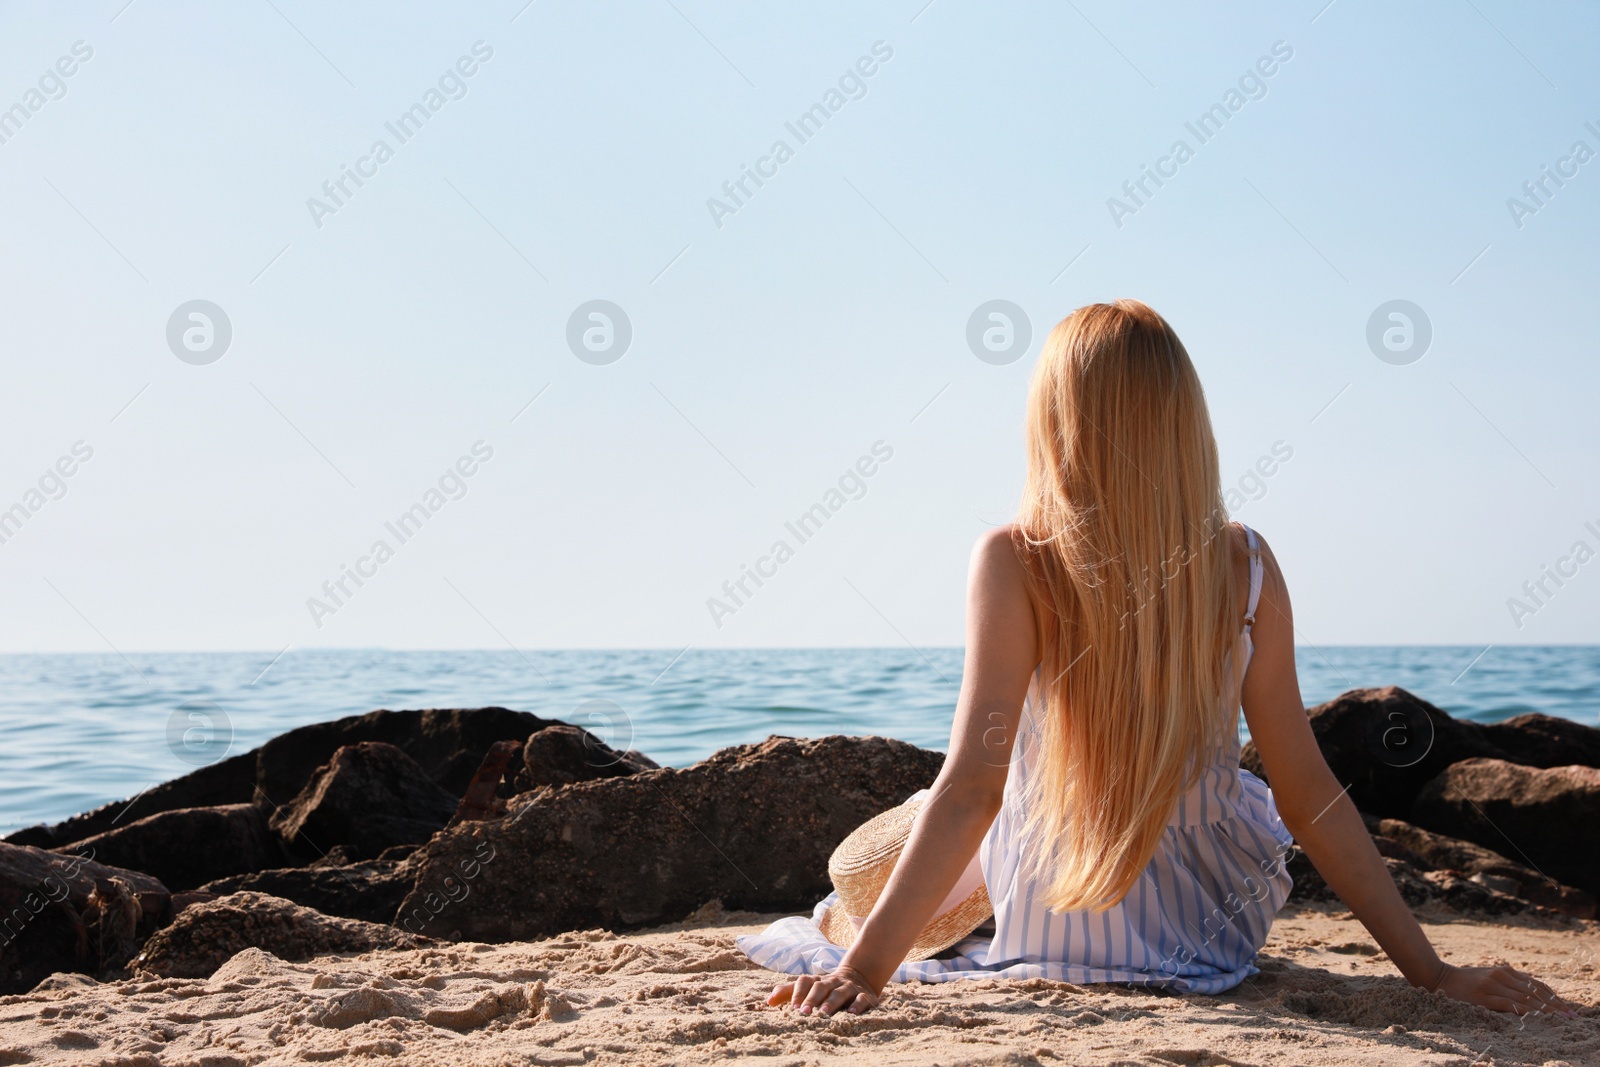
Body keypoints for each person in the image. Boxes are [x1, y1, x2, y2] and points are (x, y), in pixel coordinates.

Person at [744, 300, 1573, 1018]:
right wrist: (1429, 971)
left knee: (997, 807)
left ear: (1056, 421)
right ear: (1182, 423)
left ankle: (887, 927)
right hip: (1211, 925)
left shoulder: (1015, 559)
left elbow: (972, 789)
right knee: (1241, 788)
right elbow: (1307, 789)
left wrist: (862, 970)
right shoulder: (1244, 564)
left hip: (1058, 917)